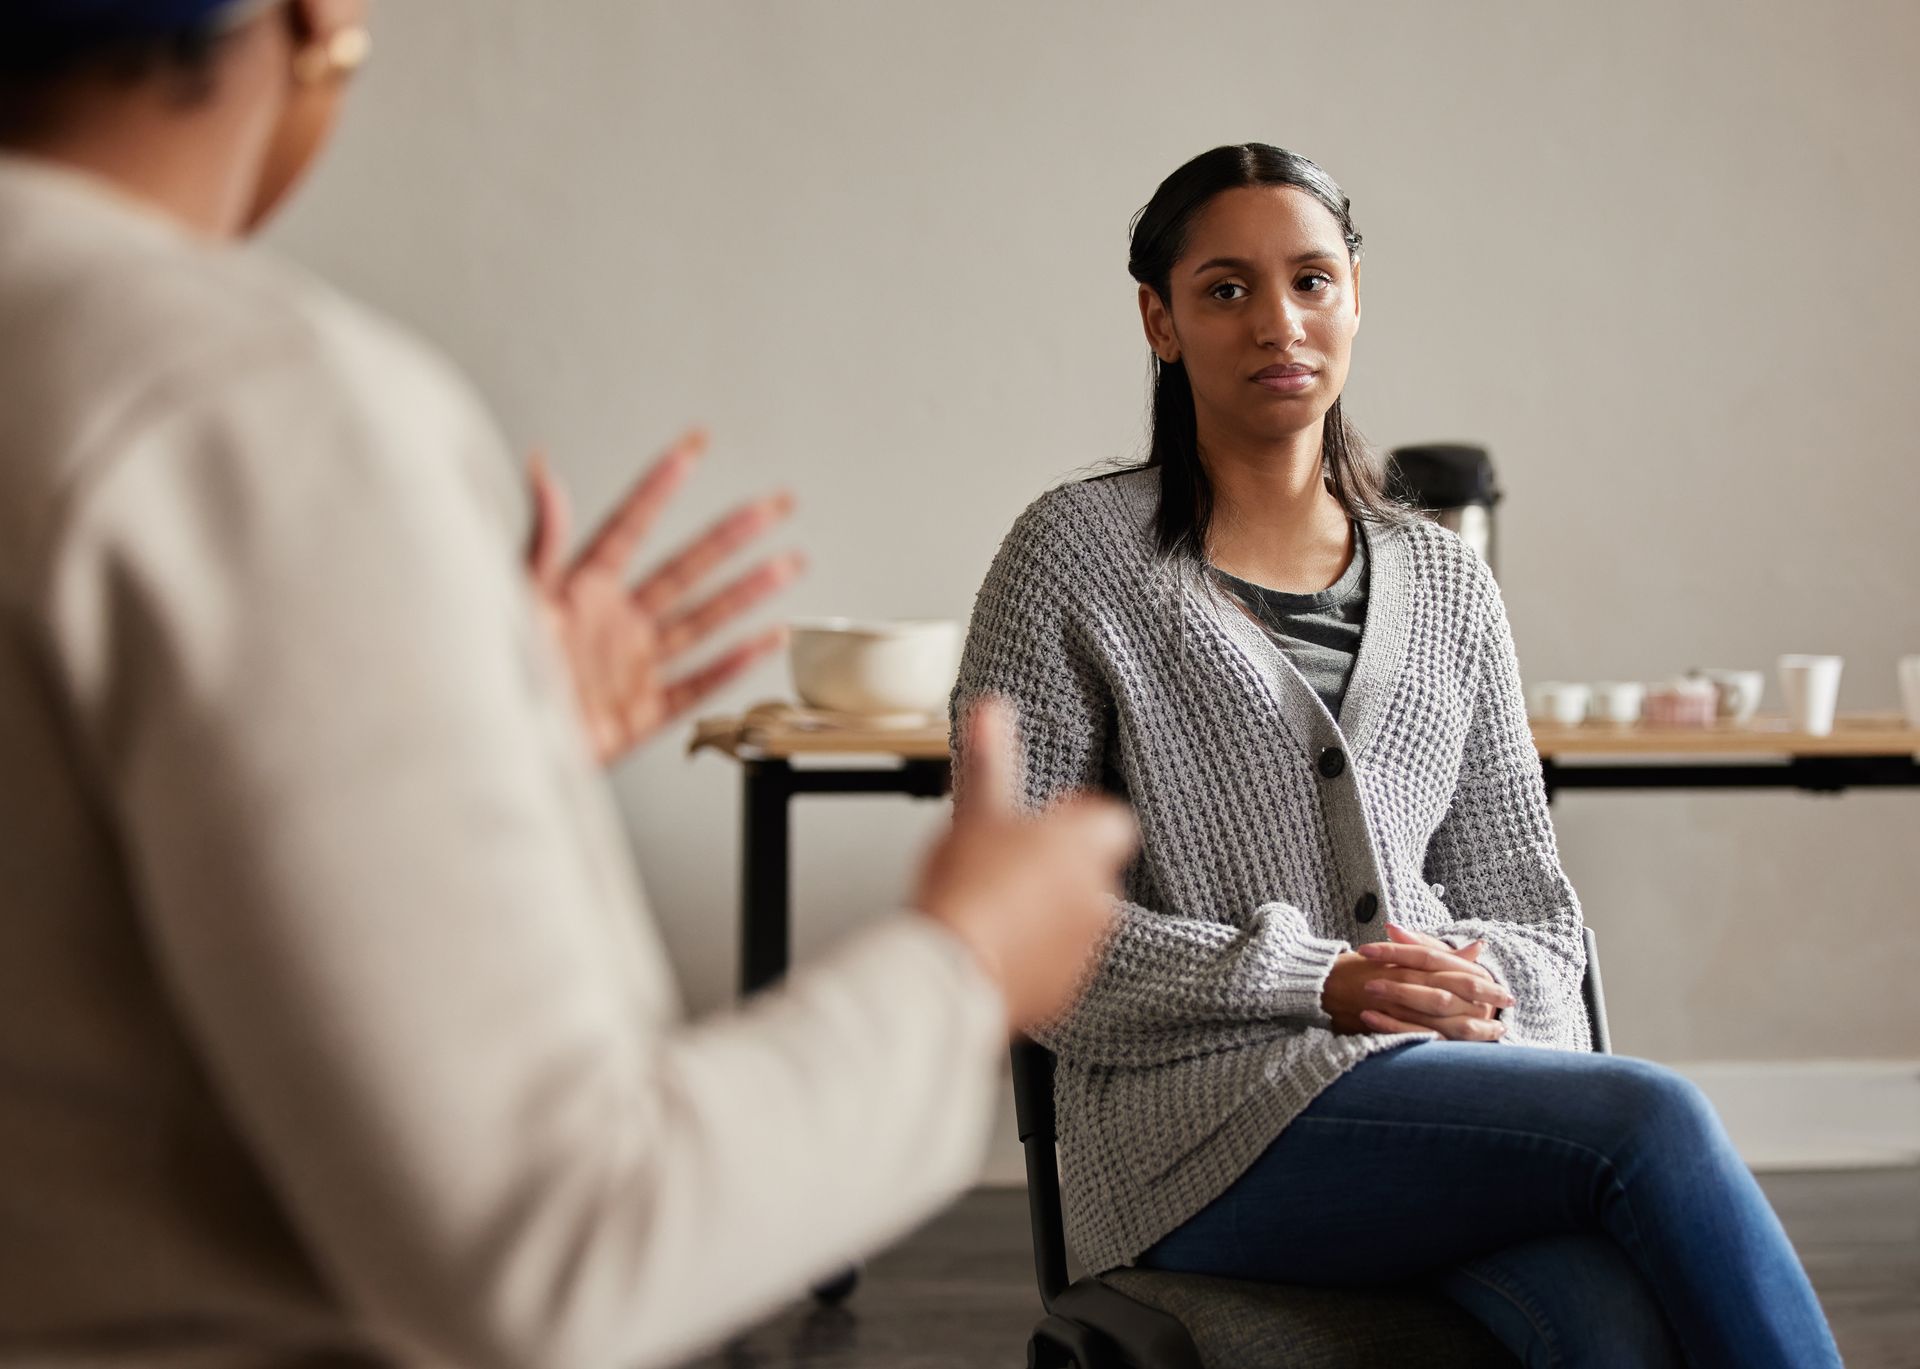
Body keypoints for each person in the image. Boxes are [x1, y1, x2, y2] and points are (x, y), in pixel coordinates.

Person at [0, 3, 1139, 1367]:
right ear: (315, 23)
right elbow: (562, 1250)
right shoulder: (239, 408)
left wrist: (473, 731)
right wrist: (969, 967)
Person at [951, 143, 1845, 1367]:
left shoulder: (1447, 581)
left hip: (1439, 1102)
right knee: (1652, 1118)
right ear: (1159, 318)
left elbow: (1531, 907)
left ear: (1356, 296)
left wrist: (1466, 982)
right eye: (1226, 288)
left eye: (1312, 280)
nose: (1280, 321)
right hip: (1198, 1139)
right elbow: (1020, 932)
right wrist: (1325, 981)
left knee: (1610, 1319)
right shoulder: (1072, 559)